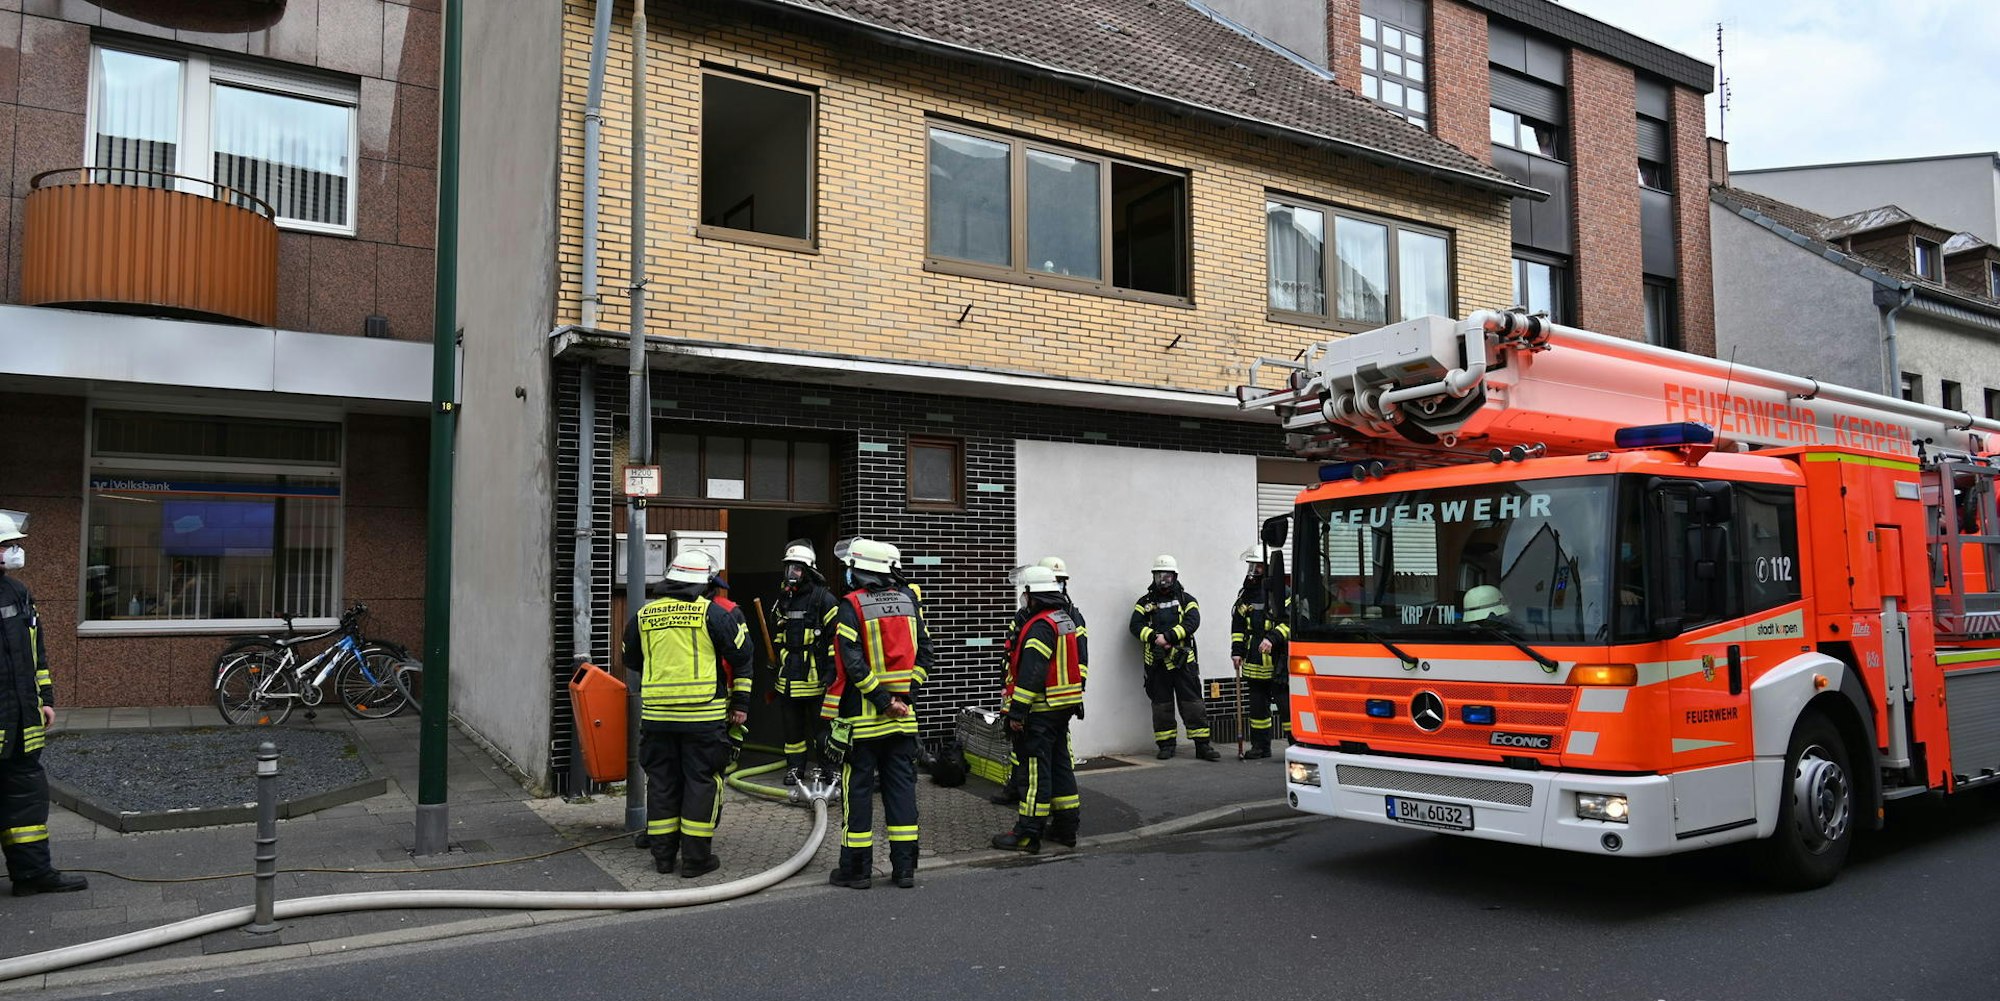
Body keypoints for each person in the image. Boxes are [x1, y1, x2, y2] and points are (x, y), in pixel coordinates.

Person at [622, 549, 752, 878]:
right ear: (703, 583)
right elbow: (742, 656)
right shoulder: (713, 614)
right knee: (700, 783)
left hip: (657, 718)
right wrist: (740, 704)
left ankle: (663, 858)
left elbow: (631, 660)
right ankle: (695, 861)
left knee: (662, 782)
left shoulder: (643, 615)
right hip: (702, 719)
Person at [821, 537, 934, 889]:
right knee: (901, 792)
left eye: (850, 567)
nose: (848, 573)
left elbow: (851, 664)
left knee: (858, 793)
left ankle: (857, 871)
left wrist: (883, 701)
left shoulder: (851, 605)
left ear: (860, 570)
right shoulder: (909, 602)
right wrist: (906, 697)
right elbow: (926, 655)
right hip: (904, 720)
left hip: (865, 721)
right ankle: (904, 869)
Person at [0, 510, 88, 896]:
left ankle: (32, 875)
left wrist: (45, 700)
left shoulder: (17, 592)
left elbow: (36, 653)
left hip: (22, 721)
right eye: (6, 545)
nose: (13, 551)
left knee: (26, 806)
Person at [991, 565, 1086, 853]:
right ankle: (1066, 827)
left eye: (1026, 593)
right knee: (1059, 768)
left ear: (1035, 596)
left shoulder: (1041, 625)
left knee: (1034, 772)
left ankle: (1027, 834)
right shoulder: (1063, 619)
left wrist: (1017, 712)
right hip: (1061, 707)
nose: (1024, 598)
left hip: (1040, 711)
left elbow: (1032, 673)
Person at [1129, 555, 1218, 761]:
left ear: (1175, 576)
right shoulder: (1145, 602)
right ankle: (1166, 745)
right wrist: (1154, 638)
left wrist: (1168, 637)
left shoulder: (1188, 600)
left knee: (1193, 703)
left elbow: (1192, 622)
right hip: (1157, 663)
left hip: (1183, 662)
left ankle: (1202, 746)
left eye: (1167, 576)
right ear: (1154, 576)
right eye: (1160, 575)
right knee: (1162, 705)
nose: (1163, 580)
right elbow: (1135, 626)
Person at [770, 540, 838, 793]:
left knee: (822, 728)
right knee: (792, 729)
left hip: (815, 676)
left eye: (797, 569)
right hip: (788, 676)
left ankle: (828, 768)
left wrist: (831, 671)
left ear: (808, 570)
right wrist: (776, 656)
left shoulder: (825, 599)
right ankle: (795, 768)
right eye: (789, 569)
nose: (792, 575)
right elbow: (779, 631)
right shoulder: (784, 599)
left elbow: (835, 638)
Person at [1231, 547, 1292, 758]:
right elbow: (1238, 626)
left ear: (1268, 569)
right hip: (1254, 659)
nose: (1253, 571)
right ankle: (1260, 747)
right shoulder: (1246, 595)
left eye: (1257, 566)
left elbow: (1291, 623)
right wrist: (1236, 652)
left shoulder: (1283, 592)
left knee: (1286, 708)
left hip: (1278, 661)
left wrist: (1272, 637)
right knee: (1257, 709)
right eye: (1251, 566)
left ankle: (1297, 746)